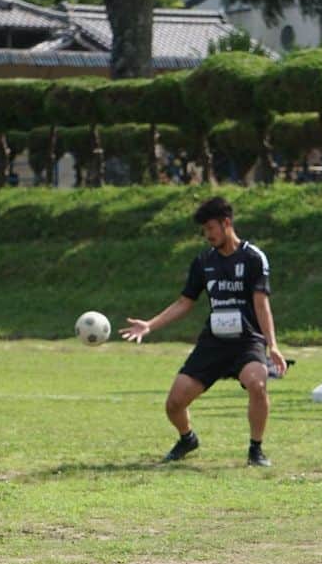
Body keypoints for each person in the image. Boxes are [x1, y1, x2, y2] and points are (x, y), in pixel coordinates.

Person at [121, 196, 287, 467]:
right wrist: (150, 325)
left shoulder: (253, 258)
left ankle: (255, 450)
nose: (207, 235)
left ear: (226, 223)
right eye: (204, 230)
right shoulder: (203, 262)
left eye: (211, 228)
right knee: (174, 404)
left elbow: (261, 303)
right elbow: (185, 302)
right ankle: (187, 438)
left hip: (247, 342)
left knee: (257, 384)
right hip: (214, 342)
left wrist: (273, 345)